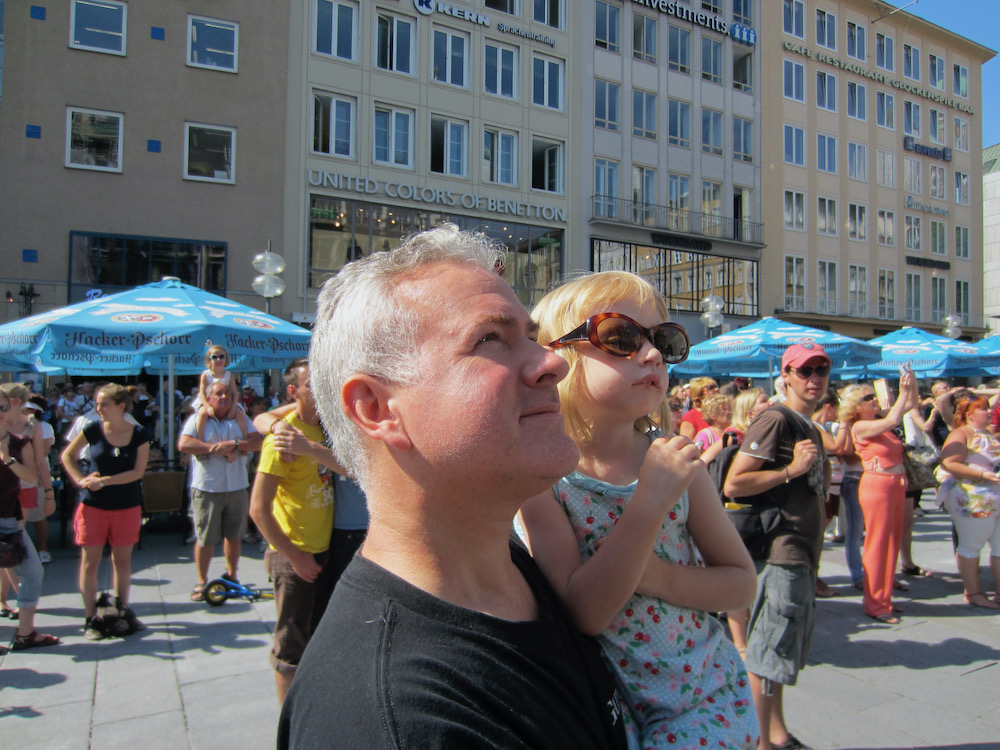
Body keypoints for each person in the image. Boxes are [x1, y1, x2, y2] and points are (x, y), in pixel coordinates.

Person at [278, 224, 629, 749]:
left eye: (531, 337)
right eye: (490, 339)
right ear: (376, 409)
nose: (553, 361)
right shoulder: (389, 718)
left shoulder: (512, 572)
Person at [519, 271, 759, 748]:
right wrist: (649, 503)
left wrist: (655, 576)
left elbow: (741, 583)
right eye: (622, 337)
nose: (652, 354)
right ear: (558, 355)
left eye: (663, 341)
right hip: (604, 705)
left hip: (702, 697)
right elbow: (586, 611)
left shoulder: (675, 458)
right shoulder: (544, 479)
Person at [724, 343, 830, 750]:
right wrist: (791, 470)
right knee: (767, 656)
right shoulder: (776, 419)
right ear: (785, 375)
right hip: (780, 552)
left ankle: (777, 733)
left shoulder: (806, 423)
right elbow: (736, 482)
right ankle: (758, 743)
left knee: (781, 655)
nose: (814, 378)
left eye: (821, 370)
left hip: (800, 553)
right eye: (804, 371)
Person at [249, 359, 336, 703]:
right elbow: (258, 509)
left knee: (315, 639)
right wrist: (294, 556)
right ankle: (289, 725)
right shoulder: (281, 439)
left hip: (323, 550)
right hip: (295, 555)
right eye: (311, 384)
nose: (319, 388)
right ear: (293, 391)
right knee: (290, 648)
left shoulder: (322, 430)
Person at [60, 383, 150, 640]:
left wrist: (105, 480)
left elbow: (137, 472)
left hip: (126, 505)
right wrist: (80, 480)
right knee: (90, 562)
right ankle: (90, 618)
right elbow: (68, 456)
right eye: (97, 404)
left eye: (104, 404)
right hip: (93, 507)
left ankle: (122, 611)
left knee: (122, 560)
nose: (98, 409)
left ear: (121, 406)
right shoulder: (92, 430)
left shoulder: (139, 433)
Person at [178, 381, 262, 602]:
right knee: (205, 538)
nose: (224, 397)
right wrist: (213, 448)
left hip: (236, 485)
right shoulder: (199, 418)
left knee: (234, 536)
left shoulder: (240, 417)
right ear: (209, 397)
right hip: (208, 487)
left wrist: (234, 444)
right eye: (218, 393)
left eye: (228, 393)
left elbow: (257, 442)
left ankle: (232, 576)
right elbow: (184, 444)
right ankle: (201, 580)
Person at [849, 373, 918, 624]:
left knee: (891, 542)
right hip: (878, 486)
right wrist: (902, 390)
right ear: (856, 405)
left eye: (873, 395)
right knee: (878, 544)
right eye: (868, 398)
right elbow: (894, 417)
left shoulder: (878, 420)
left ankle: (884, 598)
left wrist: (910, 383)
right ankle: (875, 604)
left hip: (895, 485)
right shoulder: (860, 426)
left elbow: (911, 404)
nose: (874, 400)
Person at [0, 387, 60, 650]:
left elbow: (32, 476)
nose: (2, 414)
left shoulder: (19, 441)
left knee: (32, 572)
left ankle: (26, 633)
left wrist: (8, 460)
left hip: (9, 518)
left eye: (3, 408)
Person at [937, 397, 1000, 609]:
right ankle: (973, 593)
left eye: (988, 408)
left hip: (994, 499)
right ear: (968, 415)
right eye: (983, 409)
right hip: (972, 500)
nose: (989, 412)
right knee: (971, 546)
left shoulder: (988, 434)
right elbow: (947, 462)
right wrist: (980, 473)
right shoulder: (961, 433)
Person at [194, 346, 246, 444]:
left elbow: (235, 393)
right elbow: (202, 393)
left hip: (226, 401)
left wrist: (233, 407)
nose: (218, 359)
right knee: (202, 414)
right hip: (208, 401)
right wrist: (208, 407)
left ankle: (244, 442)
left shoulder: (229, 375)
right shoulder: (206, 374)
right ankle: (199, 441)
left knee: (240, 414)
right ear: (209, 359)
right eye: (214, 357)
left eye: (221, 357)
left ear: (226, 359)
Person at [694, 392, 735, 462]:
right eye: (724, 409)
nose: (729, 412)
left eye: (730, 408)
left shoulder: (734, 432)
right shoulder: (704, 435)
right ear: (712, 415)